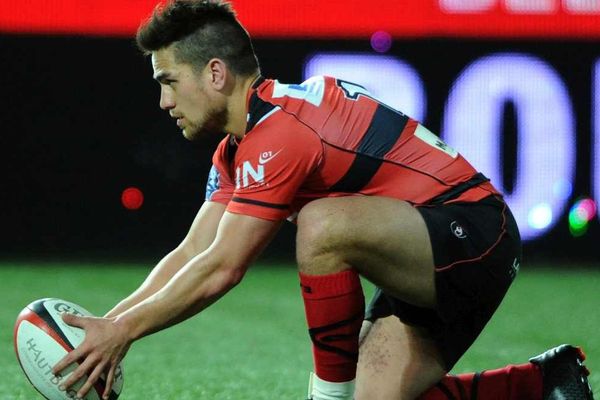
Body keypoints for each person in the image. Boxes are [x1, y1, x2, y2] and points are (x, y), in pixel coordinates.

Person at [52, 1, 594, 399]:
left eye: (168, 81)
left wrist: (123, 332)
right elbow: (193, 252)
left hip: (474, 236)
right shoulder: (239, 147)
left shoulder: (279, 133)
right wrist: (106, 326)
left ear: (215, 73)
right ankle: (545, 383)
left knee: (322, 224)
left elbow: (223, 268)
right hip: (421, 251)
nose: (164, 100)